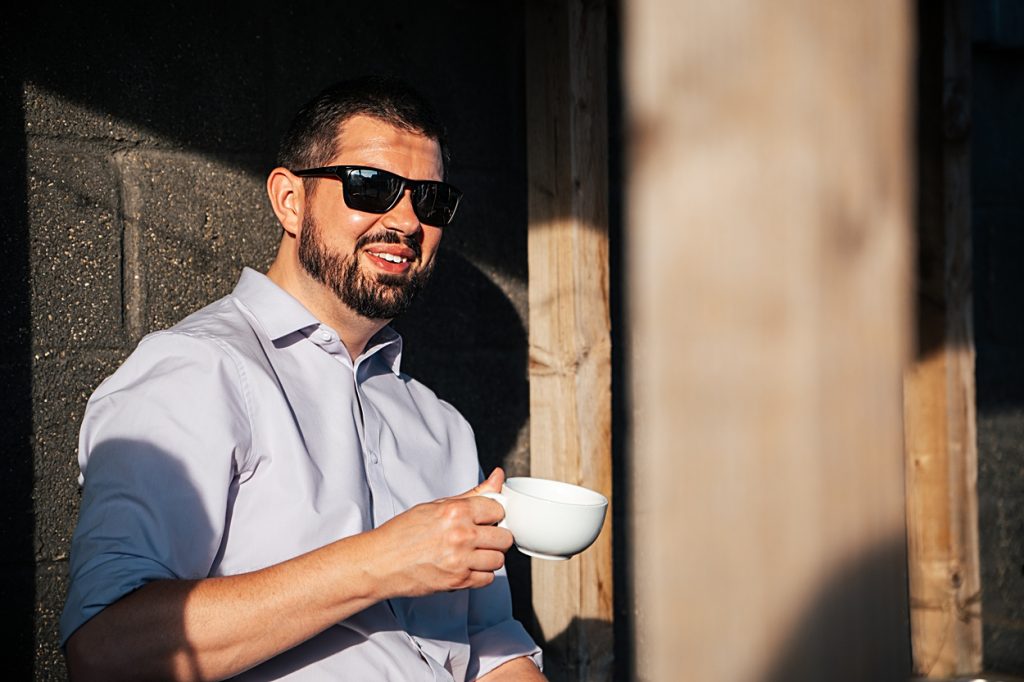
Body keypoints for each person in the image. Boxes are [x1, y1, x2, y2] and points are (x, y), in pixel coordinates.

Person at [60, 77, 544, 681]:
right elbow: (106, 650)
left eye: (430, 200)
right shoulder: (197, 370)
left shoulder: (441, 426)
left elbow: (489, 646)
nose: (406, 221)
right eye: (371, 186)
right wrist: (381, 562)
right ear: (290, 200)